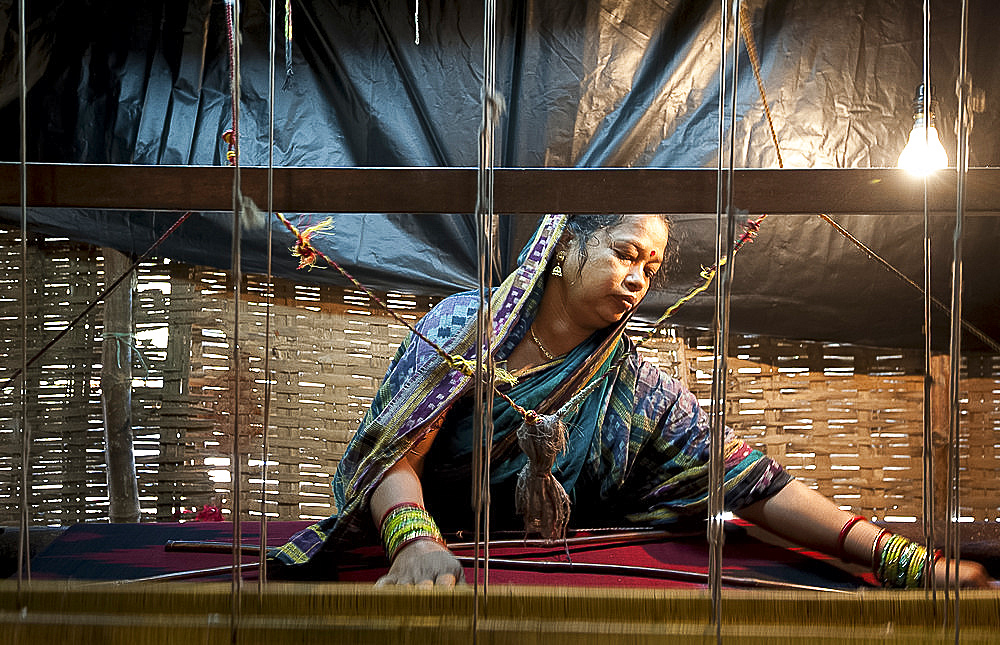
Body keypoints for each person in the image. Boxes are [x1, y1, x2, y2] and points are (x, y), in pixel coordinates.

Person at [271, 213, 994, 590]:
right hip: (431, 575)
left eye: (650, 266)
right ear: (561, 246)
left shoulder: (638, 389)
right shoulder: (463, 328)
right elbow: (398, 451)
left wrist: (902, 560)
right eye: (623, 251)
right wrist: (416, 542)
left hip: (555, 588)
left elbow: (753, 481)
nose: (638, 276)